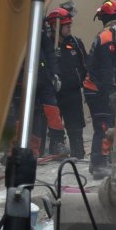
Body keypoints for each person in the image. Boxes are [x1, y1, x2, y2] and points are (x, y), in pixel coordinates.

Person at [83, 0, 116, 179]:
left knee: (107, 124)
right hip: (98, 89)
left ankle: (99, 161)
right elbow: (107, 69)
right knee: (104, 125)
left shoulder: (111, 34)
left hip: (98, 87)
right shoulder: (109, 37)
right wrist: (112, 91)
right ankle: (100, 164)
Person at [47, 7, 88, 160]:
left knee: (76, 127)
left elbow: (85, 67)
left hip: (73, 93)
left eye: (70, 23)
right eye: (66, 24)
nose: (69, 26)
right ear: (55, 26)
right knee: (55, 129)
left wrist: (86, 88)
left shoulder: (76, 43)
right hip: (54, 94)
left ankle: (78, 155)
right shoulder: (47, 46)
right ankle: (55, 155)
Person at [33, 13, 67, 159]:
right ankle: (30, 149)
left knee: (52, 110)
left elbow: (50, 54)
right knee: (29, 115)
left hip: (44, 78)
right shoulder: (22, 37)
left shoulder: (43, 39)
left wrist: (55, 74)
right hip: (25, 79)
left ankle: (58, 143)